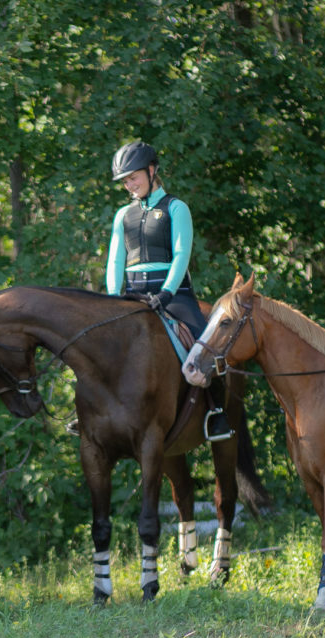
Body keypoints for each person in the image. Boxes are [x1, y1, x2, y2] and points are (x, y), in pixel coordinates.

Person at [105, 140, 233, 441]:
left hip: (173, 296)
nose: (129, 185)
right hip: (132, 295)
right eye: (125, 180)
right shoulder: (123, 215)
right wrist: (112, 298)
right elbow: (114, 260)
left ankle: (217, 413)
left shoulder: (176, 208)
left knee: (207, 344)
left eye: (133, 177)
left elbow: (181, 254)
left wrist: (166, 293)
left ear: (152, 171)